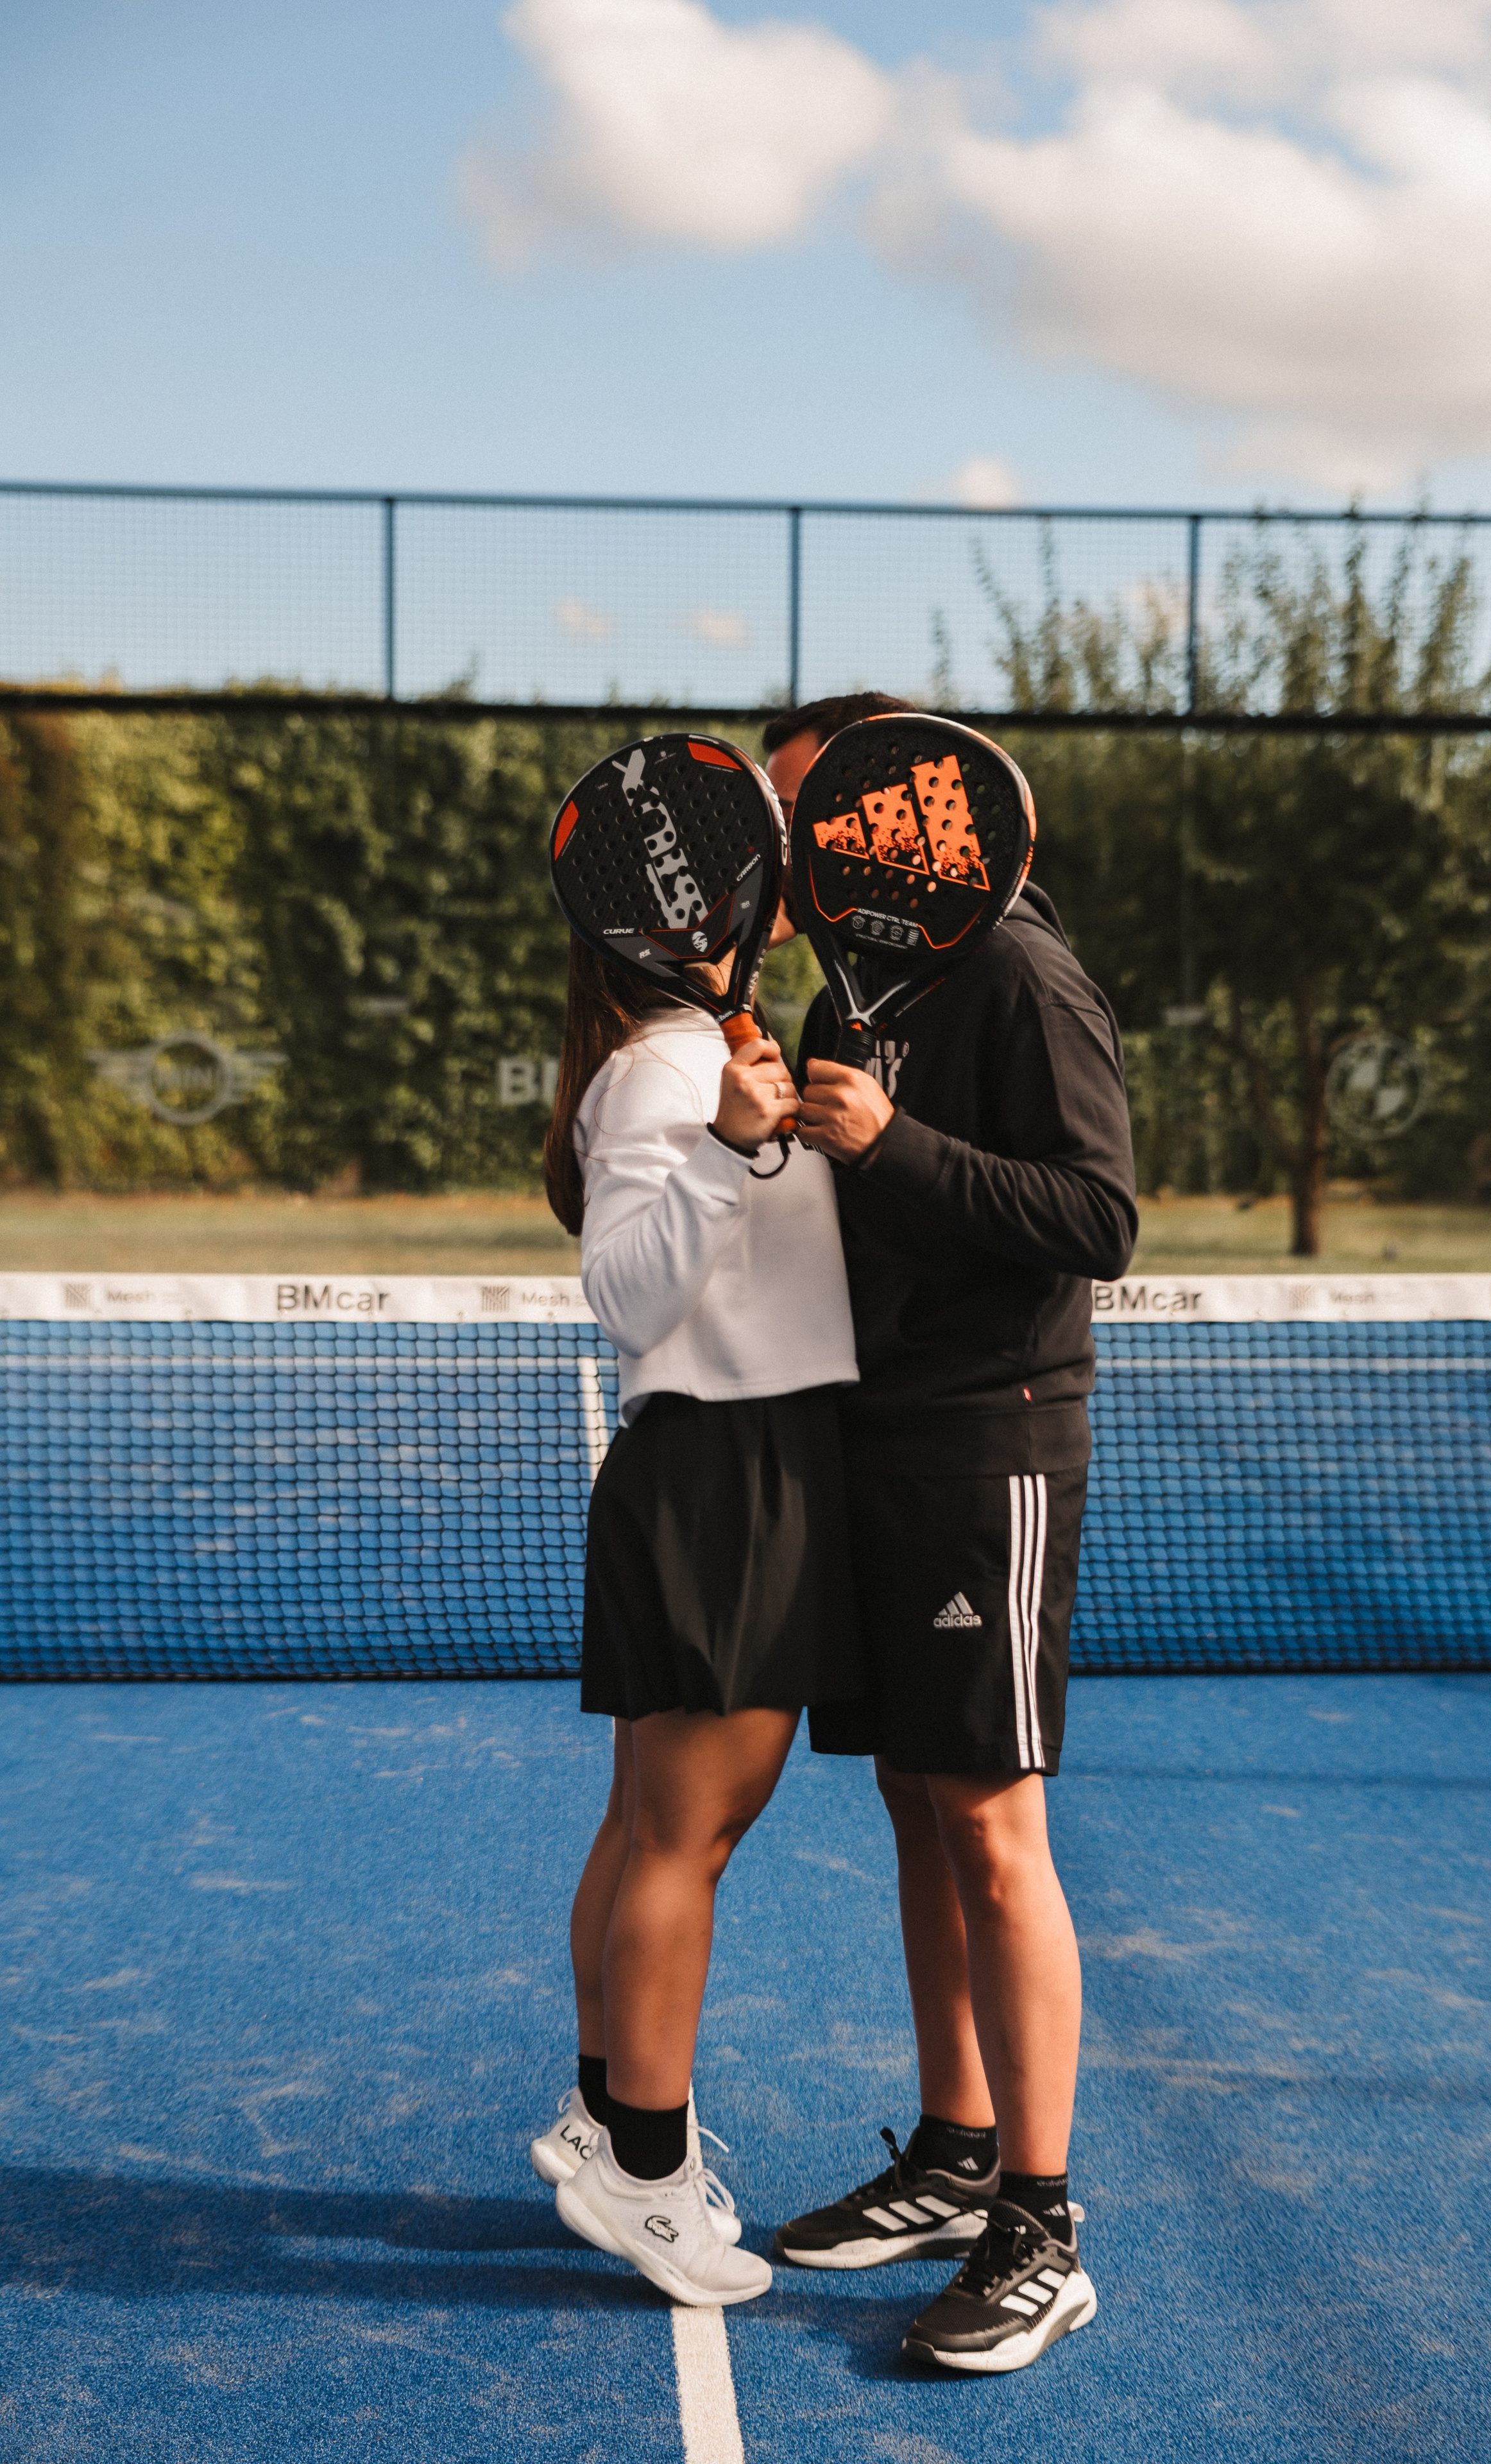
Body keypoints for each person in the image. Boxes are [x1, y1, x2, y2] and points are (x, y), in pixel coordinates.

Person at [767, 692, 1137, 2375]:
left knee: (994, 1825)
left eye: (808, 815)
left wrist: (884, 1141)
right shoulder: (858, 982)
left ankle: (1043, 2229)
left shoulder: (1015, 973)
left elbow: (1096, 1215)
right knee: (922, 1810)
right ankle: (954, 2149)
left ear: (892, 818)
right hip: (877, 1431)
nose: (784, 851)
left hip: (987, 1438)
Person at [532, 910, 860, 2309]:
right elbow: (620, 1294)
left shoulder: (698, 1051)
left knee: (650, 1822)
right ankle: (649, 2181)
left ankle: (606, 2122)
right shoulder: (662, 1074)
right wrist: (731, 1148)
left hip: (749, 1461)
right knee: (688, 1835)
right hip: (722, 1472)